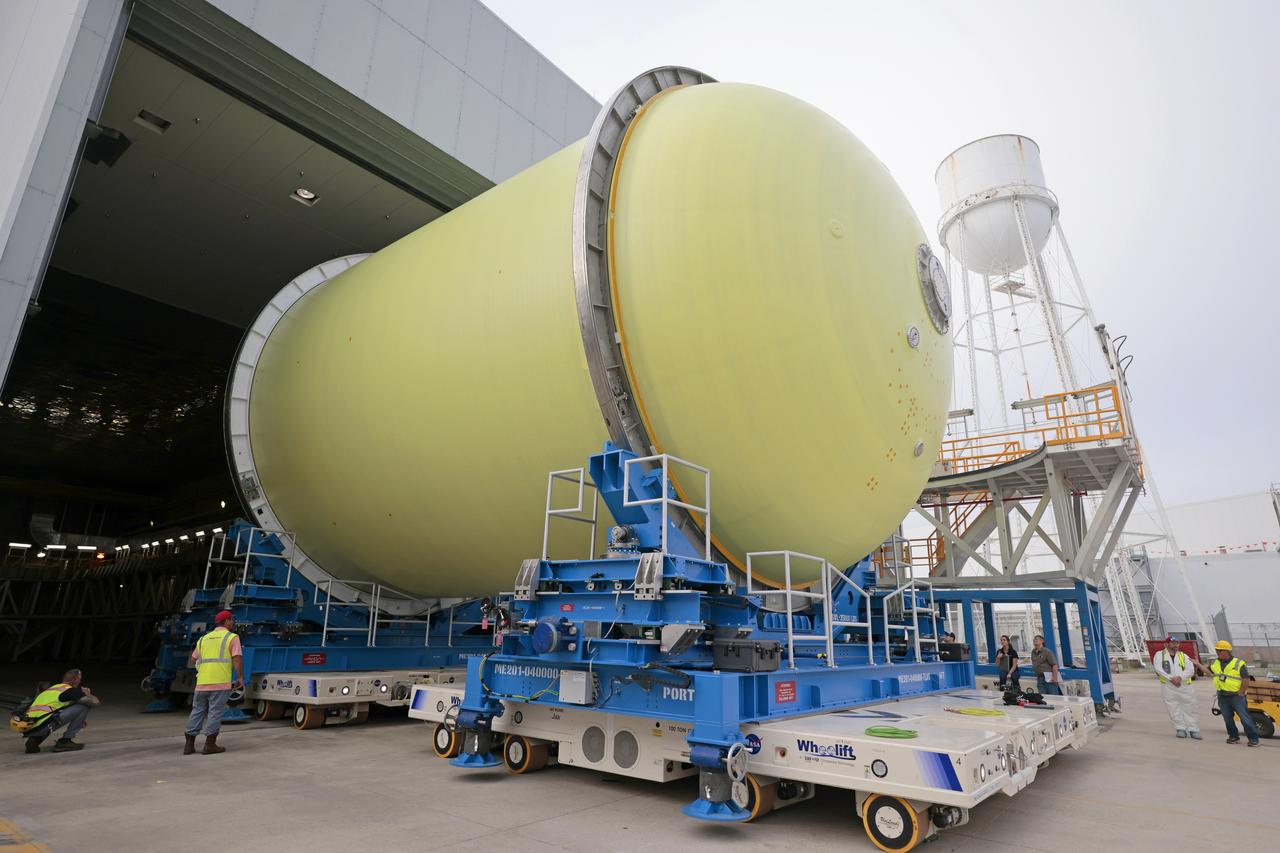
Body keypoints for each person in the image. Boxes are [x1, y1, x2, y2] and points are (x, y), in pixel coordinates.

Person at [184, 609, 244, 755]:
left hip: (202, 683)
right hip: (220, 682)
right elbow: (236, 658)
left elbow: (193, 659)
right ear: (226, 621)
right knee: (215, 713)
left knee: (197, 711)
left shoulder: (203, 639)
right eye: (231, 620)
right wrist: (240, 677)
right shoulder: (232, 637)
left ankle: (189, 745)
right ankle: (209, 745)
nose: (233, 622)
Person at [22, 668, 101, 754]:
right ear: (75, 680)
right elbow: (95, 703)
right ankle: (65, 741)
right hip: (45, 723)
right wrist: (88, 693)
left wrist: (79, 718)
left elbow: (57, 707)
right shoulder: (69, 690)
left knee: (50, 716)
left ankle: (34, 740)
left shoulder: (51, 689)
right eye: (79, 679)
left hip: (30, 725)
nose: (79, 682)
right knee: (84, 706)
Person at [1197, 640, 1259, 747]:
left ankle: (1253, 739)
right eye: (1217, 650)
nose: (1217, 653)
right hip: (1222, 696)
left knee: (1245, 718)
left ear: (1226, 651)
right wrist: (1198, 664)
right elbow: (1208, 672)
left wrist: (1241, 692)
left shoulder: (1238, 663)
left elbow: (1246, 679)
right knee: (1227, 718)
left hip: (1236, 696)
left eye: (1219, 651)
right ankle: (1233, 736)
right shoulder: (1216, 663)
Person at [1152, 635, 1200, 739]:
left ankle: (1194, 729)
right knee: (1173, 707)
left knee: (1190, 707)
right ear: (1166, 644)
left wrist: (1179, 677)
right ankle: (1180, 728)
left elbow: (1190, 670)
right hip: (1168, 686)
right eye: (1173, 643)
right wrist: (1171, 679)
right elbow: (1158, 668)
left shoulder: (1184, 656)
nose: (1176, 645)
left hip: (1184, 686)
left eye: (1177, 643)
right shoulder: (1159, 655)